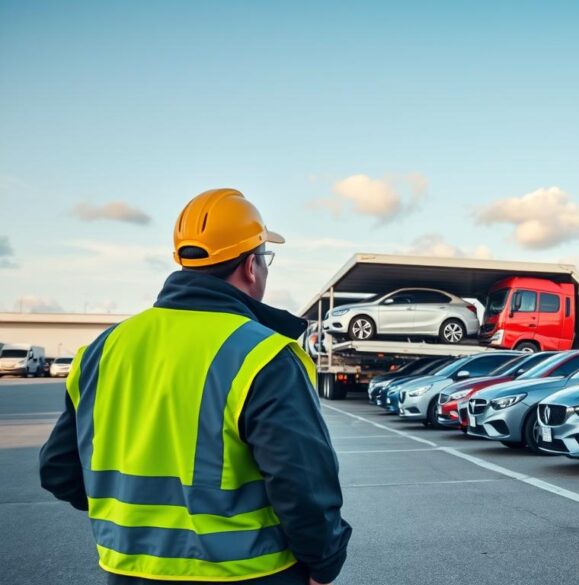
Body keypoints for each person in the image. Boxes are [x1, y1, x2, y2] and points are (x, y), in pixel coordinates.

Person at [39, 188, 351, 585]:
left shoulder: (103, 349)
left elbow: (57, 470)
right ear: (251, 267)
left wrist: (131, 520)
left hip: (128, 570)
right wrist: (324, 565)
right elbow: (302, 484)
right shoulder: (265, 354)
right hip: (248, 573)